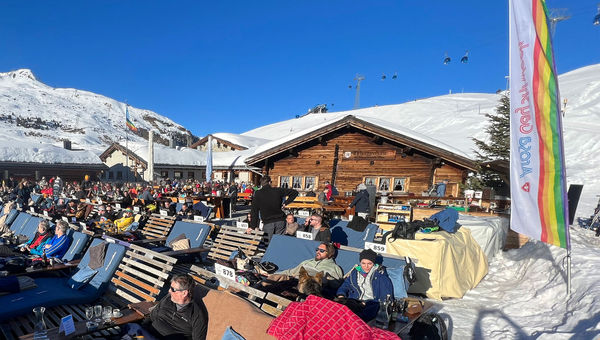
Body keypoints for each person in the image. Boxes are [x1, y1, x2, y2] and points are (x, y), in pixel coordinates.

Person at [335, 249, 394, 321]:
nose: (366, 266)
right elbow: (346, 284)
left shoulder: (380, 275)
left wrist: (365, 303)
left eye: (369, 263)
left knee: (364, 313)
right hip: (355, 300)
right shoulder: (355, 272)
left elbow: (386, 295)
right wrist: (341, 294)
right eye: (363, 263)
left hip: (371, 302)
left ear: (374, 263)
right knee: (339, 309)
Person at [146, 274, 208, 339]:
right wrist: (142, 328)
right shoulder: (168, 298)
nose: (169, 291)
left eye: (173, 289)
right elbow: (151, 316)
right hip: (148, 334)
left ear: (184, 293)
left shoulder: (197, 315)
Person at [248, 176, 298, 240]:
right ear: (269, 182)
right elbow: (295, 192)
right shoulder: (277, 190)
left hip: (268, 222)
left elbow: (254, 211)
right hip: (280, 221)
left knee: (267, 244)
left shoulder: (258, 193)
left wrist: (252, 226)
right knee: (279, 242)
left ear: (261, 184)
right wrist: (286, 202)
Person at [270, 242, 343, 282]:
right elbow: (291, 272)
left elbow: (337, 284)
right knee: (273, 278)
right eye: (317, 249)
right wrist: (272, 274)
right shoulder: (307, 262)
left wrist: (327, 279)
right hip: (294, 283)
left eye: (321, 251)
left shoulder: (334, 268)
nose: (318, 252)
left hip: (312, 289)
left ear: (329, 253)